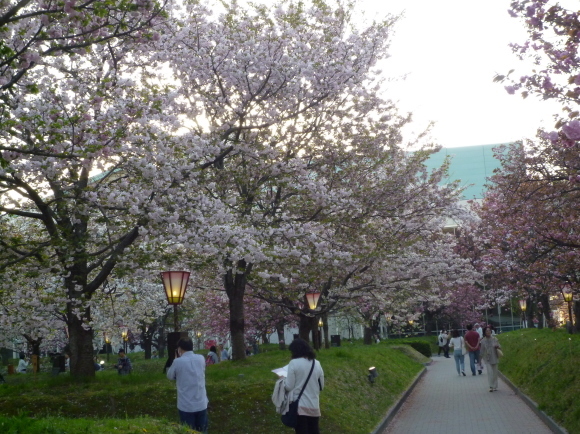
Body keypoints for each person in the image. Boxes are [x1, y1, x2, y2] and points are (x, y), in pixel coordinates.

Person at [167, 337, 208, 433]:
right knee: (203, 430)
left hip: (186, 405)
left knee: (188, 431)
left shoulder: (178, 362)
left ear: (179, 349)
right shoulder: (201, 358)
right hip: (201, 403)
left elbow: (170, 376)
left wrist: (177, 358)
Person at [284, 338, 324, 434]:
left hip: (300, 406)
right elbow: (321, 386)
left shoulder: (293, 363)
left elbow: (289, 386)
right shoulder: (316, 363)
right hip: (314, 405)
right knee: (314, 430)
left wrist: (282, 380)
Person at [480, 326, 502, 392]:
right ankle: (491, 386)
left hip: (494, 357)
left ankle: (495, 385)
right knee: (490, 372)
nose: (488, 332)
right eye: (487, 331)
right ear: (484, 332)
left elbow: (500, 346)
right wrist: (480, 359)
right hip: (487, 358)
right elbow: (482, 350)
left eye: (489, 330)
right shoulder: (483, 341)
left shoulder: (495, 339)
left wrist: (497, 346)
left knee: (495, 372)